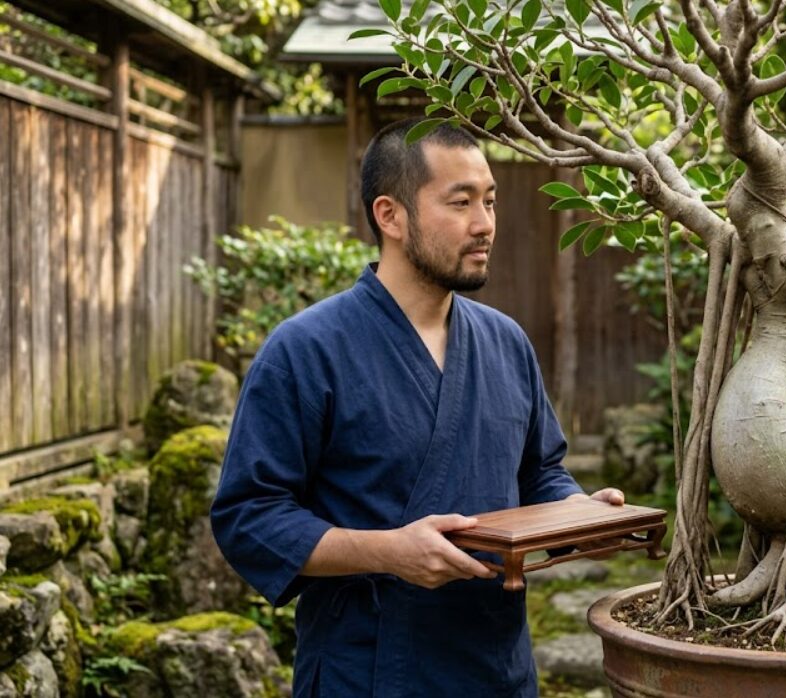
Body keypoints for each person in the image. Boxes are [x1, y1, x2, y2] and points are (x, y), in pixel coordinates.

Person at [210, 120, 625, 697]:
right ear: (391, 216)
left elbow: (540, 472)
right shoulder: (306, 349)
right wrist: (388, 551)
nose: (484, 225)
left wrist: (578, 514)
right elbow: (248, 517)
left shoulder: (506, 341)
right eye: (460, 203)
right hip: (370, 670)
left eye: (490, 201)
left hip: (496, 667)